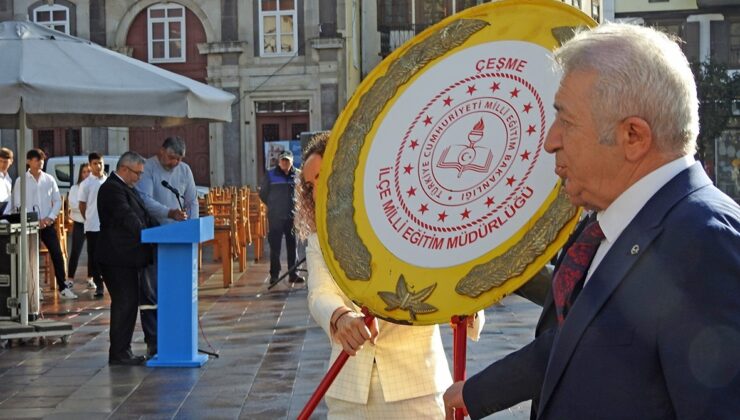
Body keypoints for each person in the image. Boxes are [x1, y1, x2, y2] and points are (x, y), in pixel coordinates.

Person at [443, 23, 740, 419]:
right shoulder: (611, 226)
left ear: (633, 136)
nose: (550, 140)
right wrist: (477, 392)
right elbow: (576, 342)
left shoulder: (705, 242)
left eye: (565, 121)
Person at [295, 133, 484, 419]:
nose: (317, 190)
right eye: (310, 186)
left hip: (416, 385)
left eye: (322, 176)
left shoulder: (410, 223)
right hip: (349, 391)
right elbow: (320, 293)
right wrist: (340, 317)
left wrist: (469, 310)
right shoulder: (320, 241)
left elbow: (450, 275)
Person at [134, 136, 198, 357]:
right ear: (161, 151)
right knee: (151, 291)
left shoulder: (185, 171)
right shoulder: (148, 168)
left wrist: (193, 227)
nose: (175, 163)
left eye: (179, 159)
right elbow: (145, 200)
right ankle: (154, 339)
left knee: (177, 290)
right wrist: (169, 213)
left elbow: (192, 200)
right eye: (172, 158)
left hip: (179, 239)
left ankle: (176, 333)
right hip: (155, 236)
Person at [97, 151, 157, 365]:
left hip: (128, 258)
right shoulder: (111, 189)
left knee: (129, 303)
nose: (139, 178)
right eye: (137, 173)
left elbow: (144, 215)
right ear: (124, 169)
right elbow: (126, 216)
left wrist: (158, 231)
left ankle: (123, 350)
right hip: (117, 259)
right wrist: (145, 233)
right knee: (125, 303)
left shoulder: (127, 188)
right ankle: (120, 353)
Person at [8, 149, 76, 299]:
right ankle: (34, 288)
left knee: (57, 254)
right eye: (36, 159)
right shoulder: (21, 181)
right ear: (28, 161)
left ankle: (63, 287)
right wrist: (33, 219)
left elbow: (58, 200)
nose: (40, 162)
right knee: (32, 257)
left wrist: (50, 217)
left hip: (47, 224)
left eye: (42, 160)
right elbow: (18, 203)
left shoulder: (49, 179)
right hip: (30, 226)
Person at [260, 150, 302, 284]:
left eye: (287, 161)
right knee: (275, 246)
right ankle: (274, 275)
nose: (285, 163)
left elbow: (303, 192)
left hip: (292, 216)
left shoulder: (298, 174)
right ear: (279, 162)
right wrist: (273, 206)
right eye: (283, 160)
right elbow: (263, 194)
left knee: (292, 245)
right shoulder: (271, 175)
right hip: (275, 217)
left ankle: (293, 273)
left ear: (291, 161)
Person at [78, 153, 107, 297]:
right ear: (90, 165)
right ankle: (98, 284)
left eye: (100, 163)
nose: (98, 166)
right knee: (94, 257)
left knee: (108, 254)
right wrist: (88, 218)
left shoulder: (108, 181)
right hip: (92, 225)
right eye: (95, 163)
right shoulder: (85, 184)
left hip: (107, 225)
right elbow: (82, 205)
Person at [66, 162, 93, 290]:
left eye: (89, 171)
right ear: (80, 174)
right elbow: (74, 205)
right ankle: (70, 278)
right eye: (84, 172)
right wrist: (88, 208)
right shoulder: (75, 188)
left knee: (92, 252)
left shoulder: (95, 187)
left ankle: (91, 278)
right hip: (80, 223)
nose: (87, 174)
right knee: (76, 251)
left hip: (93, 223)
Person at [0, 147, 14, 214]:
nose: (2, 164)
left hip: (7, 216)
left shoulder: (9, 179)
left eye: (5, 162)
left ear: (11, 161)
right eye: (0, 161)